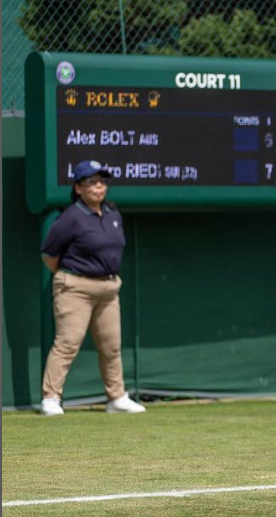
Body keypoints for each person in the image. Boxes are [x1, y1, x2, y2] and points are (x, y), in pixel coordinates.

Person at [39, 160, 146, 416]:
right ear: (78, 188)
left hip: (109, 290)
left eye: (102, 181)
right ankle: (50, 399)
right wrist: (73, 278)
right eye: (91, 181)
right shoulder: (70, 218)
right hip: (75, 288)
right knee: (67, 344)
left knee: (111, 347)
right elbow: (49, 255)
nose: (98, 186)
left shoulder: (112, 214)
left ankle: (116, 398)